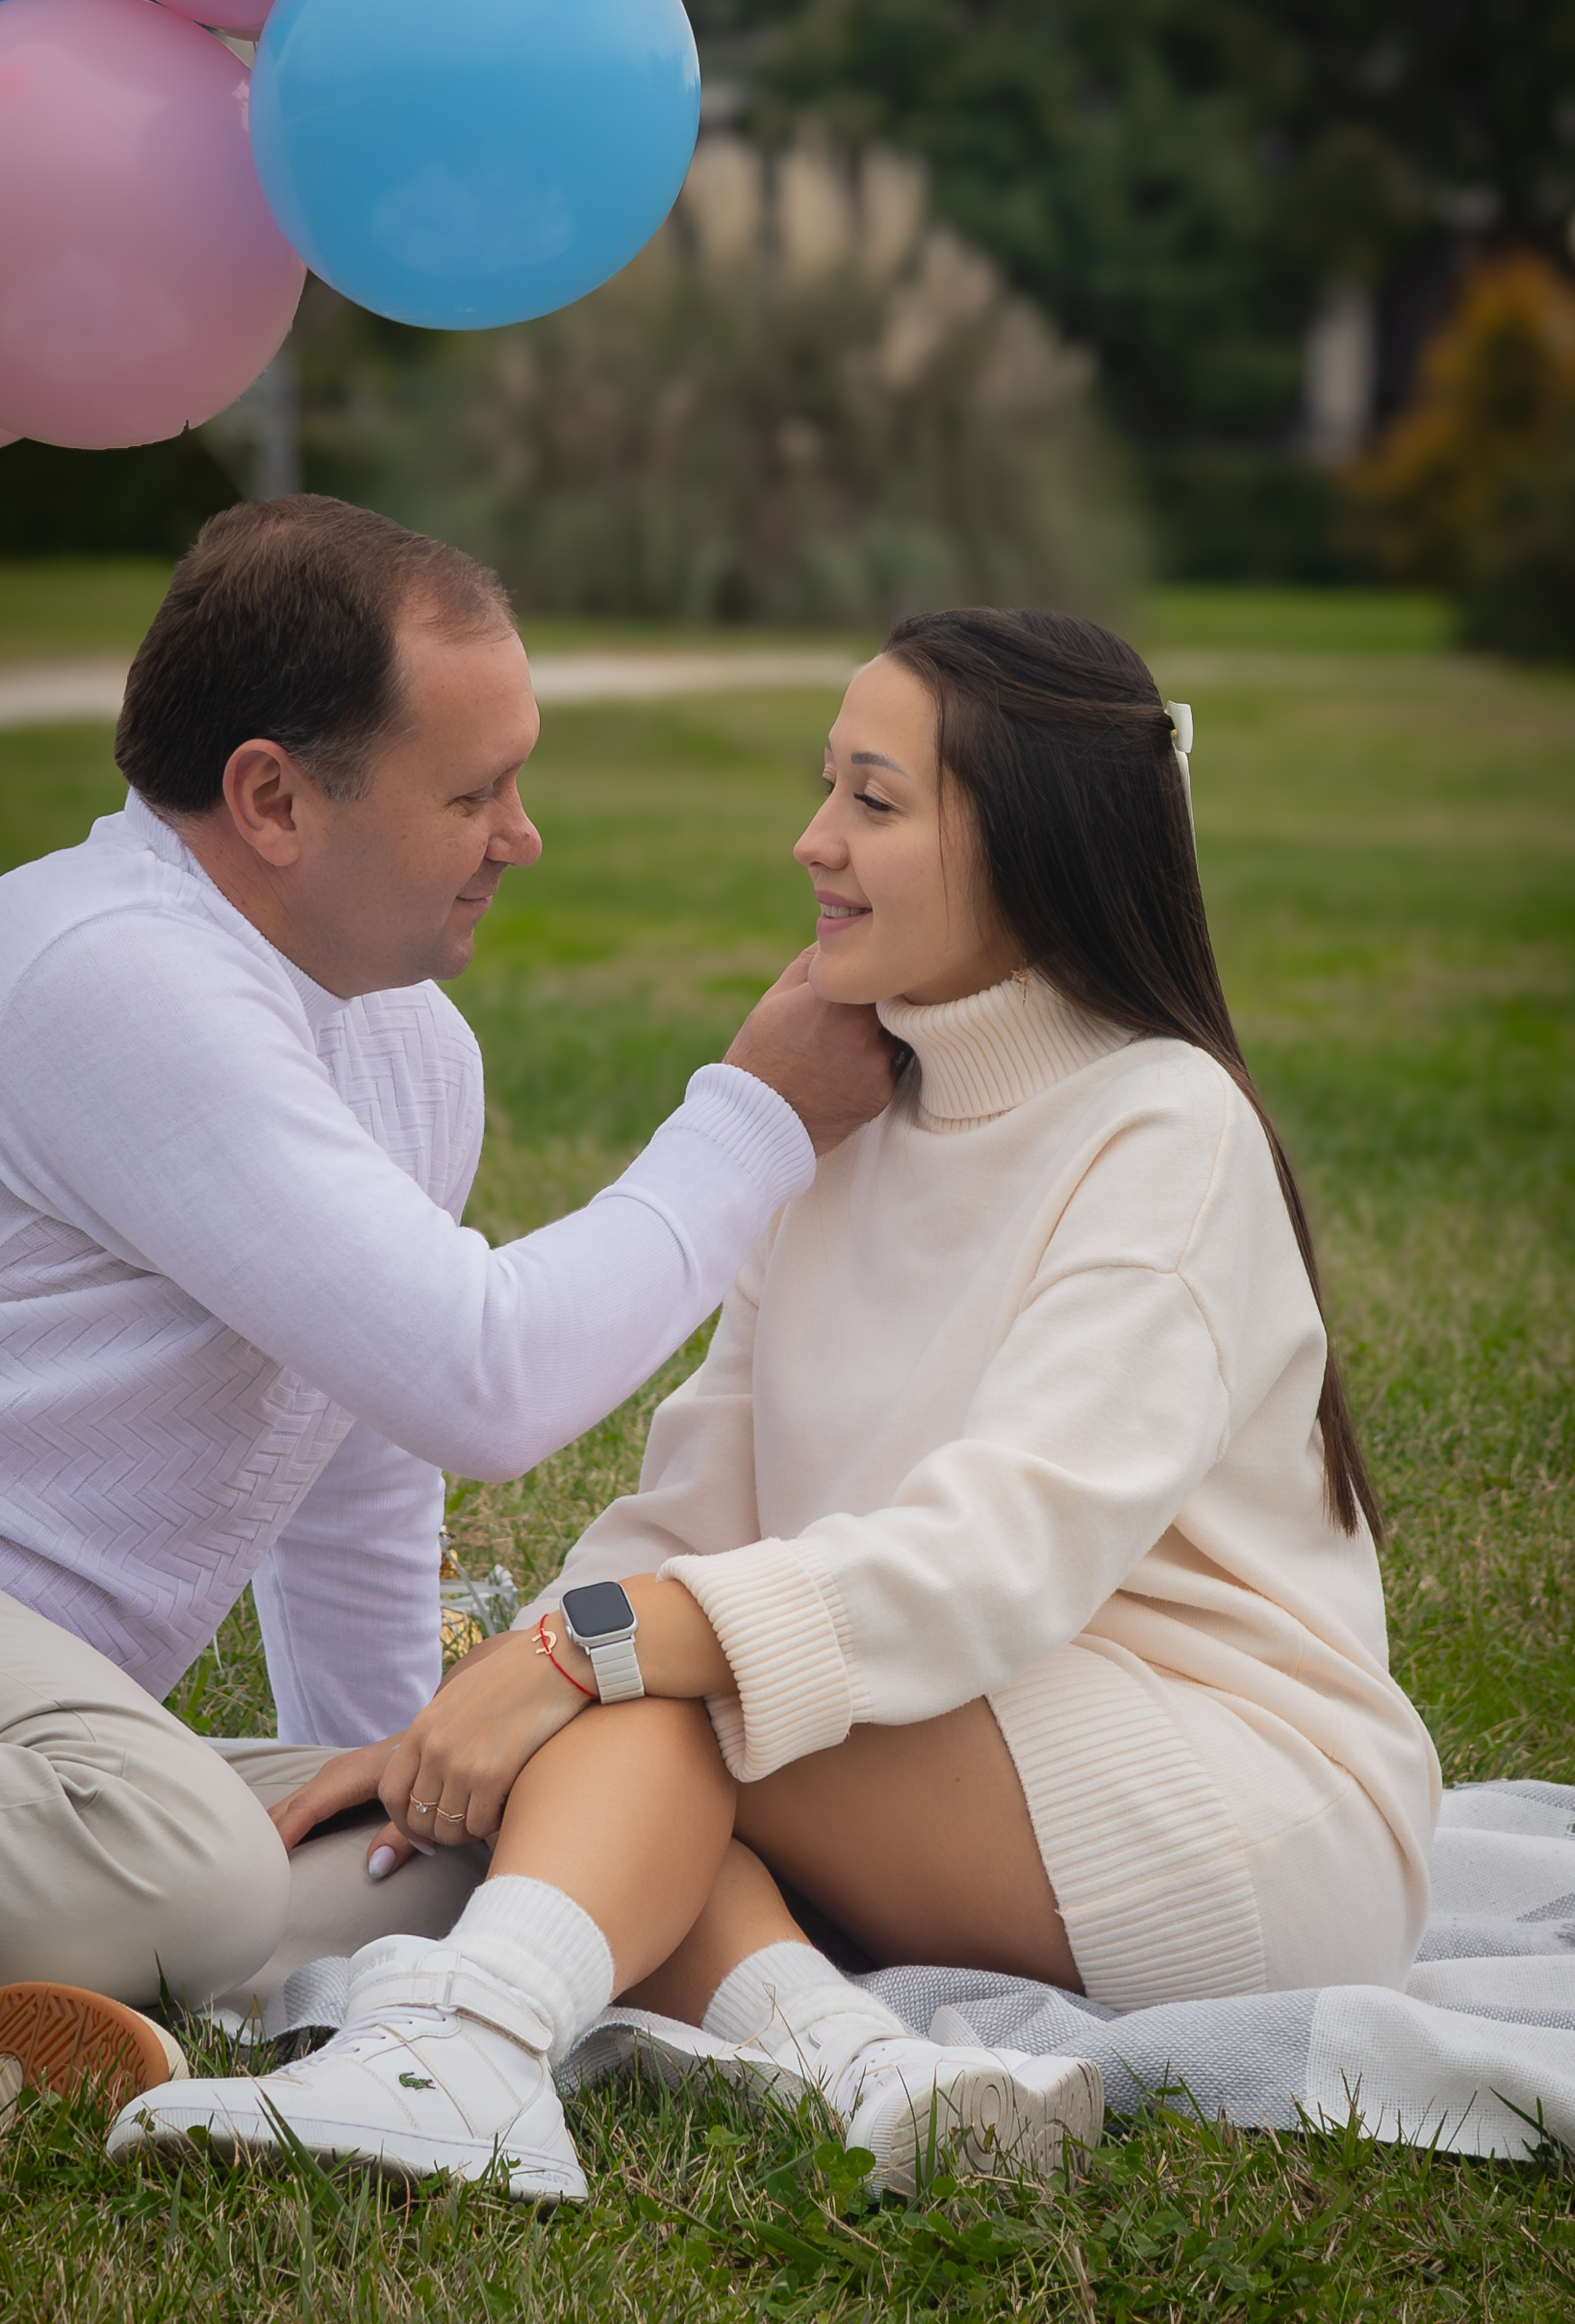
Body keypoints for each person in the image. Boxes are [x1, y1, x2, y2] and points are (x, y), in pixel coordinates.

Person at [114, 609, 1440, 2201]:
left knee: (664, 1684)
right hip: (976, 1743)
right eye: (828, 787)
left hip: (1243, 1812)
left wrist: (564, 1659)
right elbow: (690, 1516)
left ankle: (464, 2042)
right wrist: (483, 1707)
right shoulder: (851, 1116)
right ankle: (861, 2067)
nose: (812, 840)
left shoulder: (1163, 1129)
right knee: (647, 1693)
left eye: (873, 802)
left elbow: (994, 1559)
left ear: (1032, 842)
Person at [0, 496, 892, 2016]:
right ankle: (138, 1947)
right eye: (473, 793)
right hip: (57, 1736)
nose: (522, 839)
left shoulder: (408, 1046)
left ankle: (112, 1970)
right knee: (188, 1879)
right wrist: (753, 1122)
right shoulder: (106, 972)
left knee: (494, 1835)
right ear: (272, 800)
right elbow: (484, 1382)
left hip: (57, 1740)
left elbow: (364, 1470)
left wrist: (399, 1777)